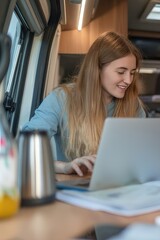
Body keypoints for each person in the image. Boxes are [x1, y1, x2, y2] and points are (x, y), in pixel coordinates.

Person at [22, 31, 146, 176]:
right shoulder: (61, 99)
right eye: (121, 72)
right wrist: (64, 167)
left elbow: (142, 151)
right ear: (97, 69)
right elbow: (25, 149)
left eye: (132, 73)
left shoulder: (133, 103)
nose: (128, 80)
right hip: (77, 185)